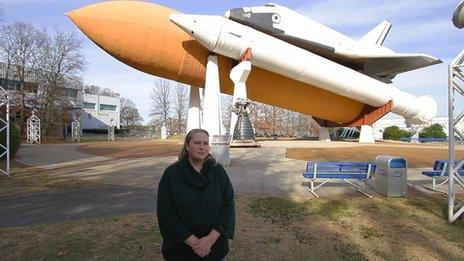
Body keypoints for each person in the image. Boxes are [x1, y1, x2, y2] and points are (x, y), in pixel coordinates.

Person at [157, 129, 235, 260]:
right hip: (181, 249)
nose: (202, 147)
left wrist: (209, 240)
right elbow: (166, 213)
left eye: (205, 143)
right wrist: (194, 242)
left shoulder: (218, 171)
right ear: (187, 146)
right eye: (197, 143)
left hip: (214, 248)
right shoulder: (172, 174)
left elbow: (228, 206)